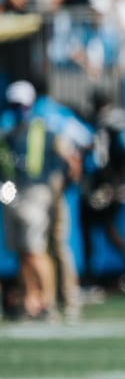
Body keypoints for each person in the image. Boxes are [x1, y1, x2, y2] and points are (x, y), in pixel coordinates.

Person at [0, 81, 77, 320]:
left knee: (35, 249)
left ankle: (48, 302)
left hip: (36, 192)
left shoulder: (45, 128)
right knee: (23, 252)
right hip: (14, 192)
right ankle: (30, 301)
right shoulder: (7, 131)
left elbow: (70, 158)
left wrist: (59, 190)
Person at [78, 89, 125, 302]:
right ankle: (93, 277)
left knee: (106, 228)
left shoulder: (114, 123)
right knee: (91, 228)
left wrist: (115, 183)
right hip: (98, 183)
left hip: (108, 184)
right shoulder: (103, 123)